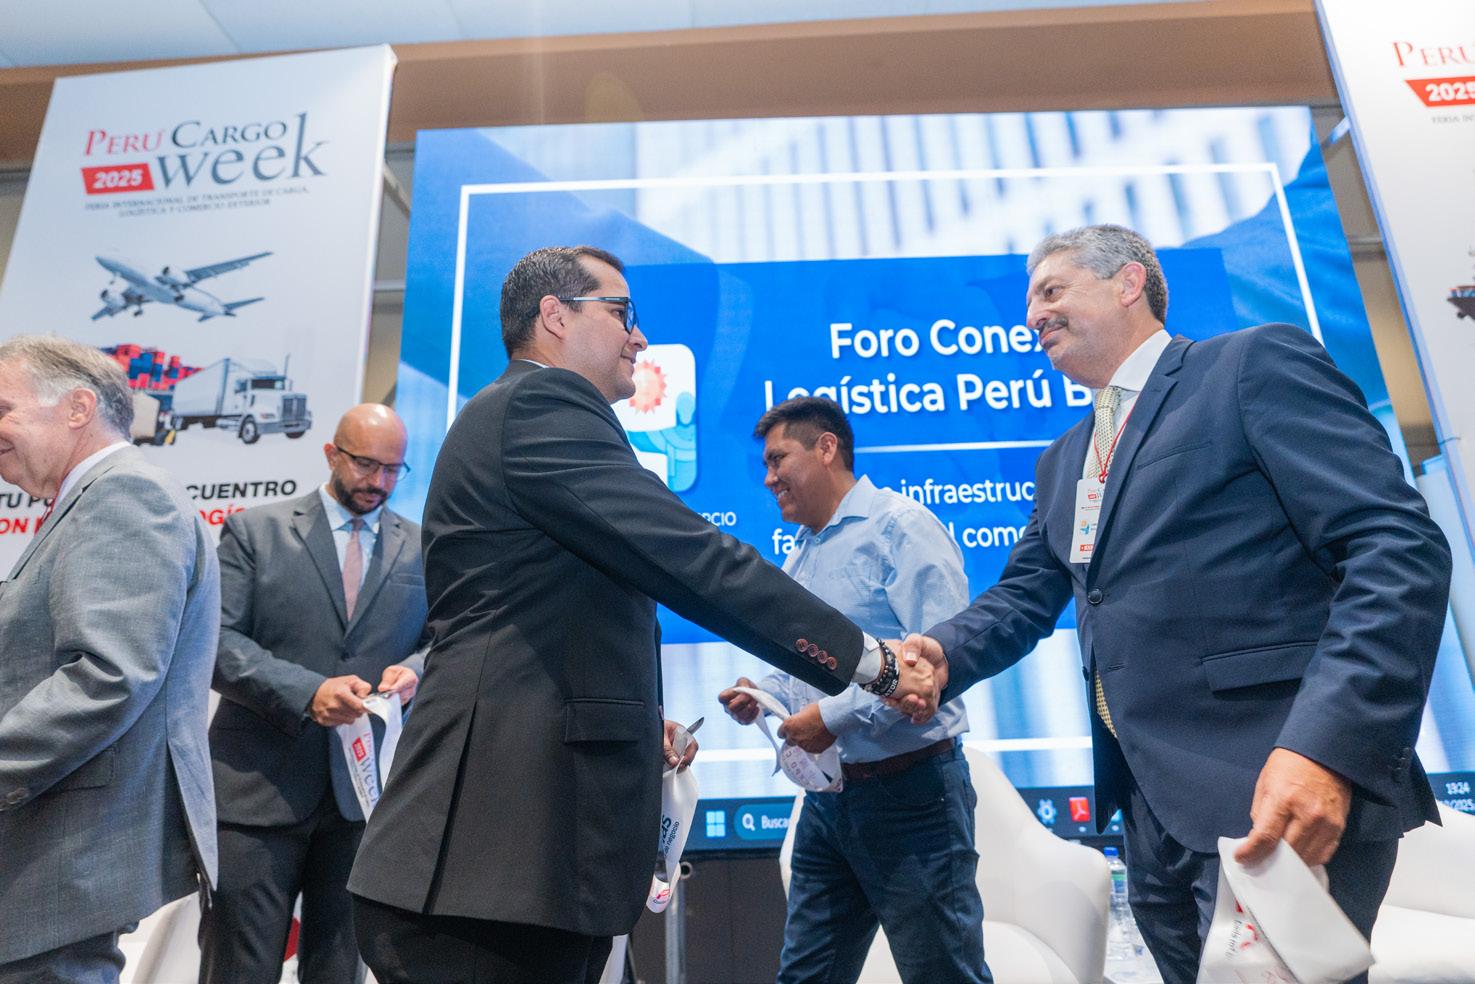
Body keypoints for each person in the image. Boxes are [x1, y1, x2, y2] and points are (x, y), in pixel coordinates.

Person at [348, 246, 940, 984]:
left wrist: (635, 724)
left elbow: (542, 621)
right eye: (622, 313)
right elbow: (695, 560)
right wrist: (873, 665)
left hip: (518, 867)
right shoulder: (539, 405)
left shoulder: (525, 416)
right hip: (492, 870)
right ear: (555, 316)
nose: (639, 336)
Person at [897, 224, 1452, 984]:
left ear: (1129, 282)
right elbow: (1027, 593)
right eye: (1028, 303)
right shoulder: (1063, 459)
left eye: (1051, 290)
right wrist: (942, 653)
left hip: (1276, 788)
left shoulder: (1250, 364)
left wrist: (1326, 749)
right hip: (1152, 816)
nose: (1032, 316)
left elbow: (1396, 546)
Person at [719, 396, 989, 983]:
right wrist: (763, 692)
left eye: (777, 460)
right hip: (829, 802)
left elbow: (931, 668)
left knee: (942, 975)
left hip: (912, 795)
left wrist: (831, 719)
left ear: (826, 448)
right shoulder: (802, 551)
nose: (767, 479)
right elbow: (809, 670)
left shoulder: (903, 528)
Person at [0, 335, 219, 983]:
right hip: (56, 847)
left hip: (65, 853)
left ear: (77, 407)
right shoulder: (96, 499)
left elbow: (106, 677)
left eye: (4, 408)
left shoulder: (124, 495)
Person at [200, 405, 429, 984]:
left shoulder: (423, 547)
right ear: (331, 454)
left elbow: (443, 640)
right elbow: (215, 643)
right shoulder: (255, 531)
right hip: (257, 790)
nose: (378, 482)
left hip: (366, 800)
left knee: (338, 971)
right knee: (239, 970)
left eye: (393, 470)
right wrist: (308, 692)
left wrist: (415, 671)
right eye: (365, 464)